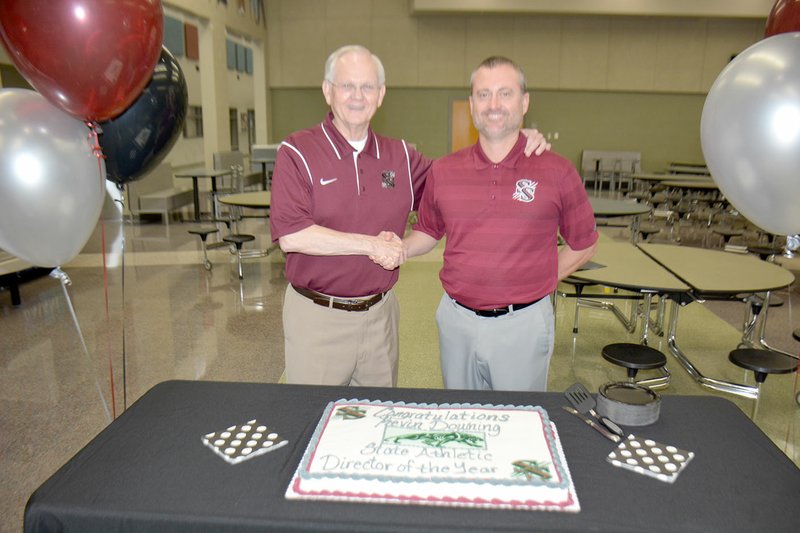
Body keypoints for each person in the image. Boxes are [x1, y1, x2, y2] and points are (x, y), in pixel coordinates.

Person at [270, 45, 550, 387]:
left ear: (381, 94)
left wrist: (515, 138)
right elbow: (292, 235)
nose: (357, 96)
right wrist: (371, 246)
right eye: (347, 86)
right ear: (328, 91)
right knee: (314, 423)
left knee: (377, 423)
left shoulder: (400, 156)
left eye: (368, 87)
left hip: (380, 318)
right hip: (318, 317)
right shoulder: (297, 151)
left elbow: (462, 184)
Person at [396, 56, 598, 392]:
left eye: (505, 93)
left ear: (525, 102)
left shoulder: (557, 171)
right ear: (472, 105)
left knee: (519, 425)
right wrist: (398, 247)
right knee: (462, 422)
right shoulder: (444, 171)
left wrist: (537, 280)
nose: (494, 105)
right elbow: (429, 230)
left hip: (523, 325)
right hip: (456, 322)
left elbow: (584, 243)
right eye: (483, 94)